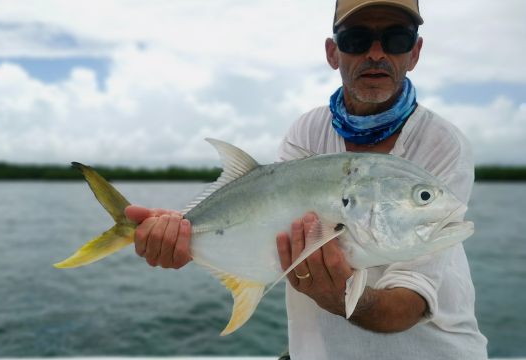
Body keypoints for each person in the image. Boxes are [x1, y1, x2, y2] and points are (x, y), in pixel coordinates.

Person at [125, 0, 488, 358]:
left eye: (396, 39)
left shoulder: (443, 144)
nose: (376, 53)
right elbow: (265, 228)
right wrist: (182, 239)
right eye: (356, 39)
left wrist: (342, 296)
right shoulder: (308, 130)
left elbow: (408, 302)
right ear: (333, 53)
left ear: (415, 52)